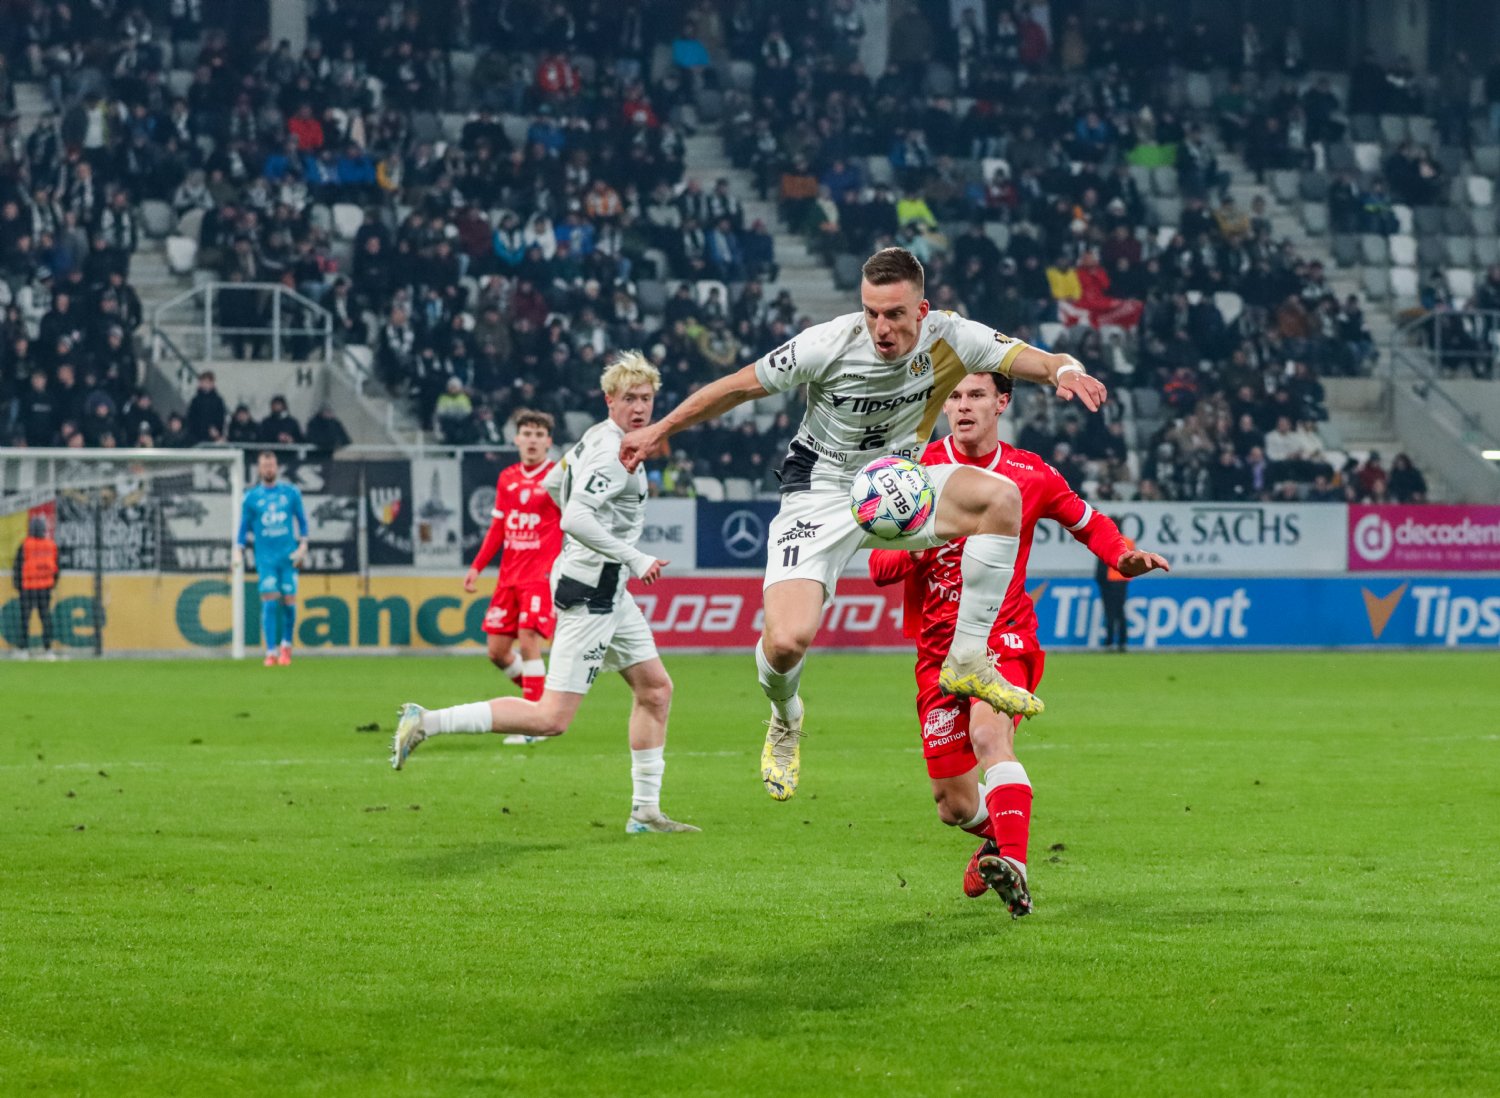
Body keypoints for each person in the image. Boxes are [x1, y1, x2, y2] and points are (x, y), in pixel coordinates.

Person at [618, 247, 1109, 802]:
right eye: (871, 312)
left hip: (899, 488)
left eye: (894, 314)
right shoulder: (827, 343)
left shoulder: (952, 337)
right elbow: (737, 386)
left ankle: (970, 657)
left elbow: (1037, 359)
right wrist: (661, 429)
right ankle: (785, 715)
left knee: (1001, 497)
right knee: (786, 643)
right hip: (820, 493)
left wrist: (1067, 369)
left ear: (921, 310)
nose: (881, 327)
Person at [868, 373, 1168, 916]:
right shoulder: (915, 474)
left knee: (989, 734)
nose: (963, 406)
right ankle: (997, 838)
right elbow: (878, 567)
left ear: (1001, 402)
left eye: (976, 395)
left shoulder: (1030, 473)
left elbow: (1088, 521)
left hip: (1002, 638)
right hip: (937, 654)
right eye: (954, 396)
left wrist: (1120, 555)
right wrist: (921, 542)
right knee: (953, 804)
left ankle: (1016, 869)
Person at [392, 354, 697, 835]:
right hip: (593, 591)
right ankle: (427, 721)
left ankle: (645, 812)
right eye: (630, 398)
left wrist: (598, 550)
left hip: (607, 588)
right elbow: (574, 516)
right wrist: (634, 557)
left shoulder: (596, 436)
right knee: (551, 718)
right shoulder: (611, 453)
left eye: (646, 399)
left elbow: (555, 485)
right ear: (610, 400)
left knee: (656, 690)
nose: (640, 408)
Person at [462, 410, 563, 741]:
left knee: (528, 637)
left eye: (539, 435)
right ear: (517, 439)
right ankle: (545, 703)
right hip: (509, 577)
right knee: (497, 651)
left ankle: (533, 724)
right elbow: (498, 528)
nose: (532, 440)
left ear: (548, 441)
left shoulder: (558, 477)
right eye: (527, 434)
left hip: (540, 575)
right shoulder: (507, 477)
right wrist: (477, 567)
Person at [234, 451, 309, 667]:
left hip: (288, 558)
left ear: (277, 467)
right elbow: (243, 527)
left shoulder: (290, 493)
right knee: (269, 602)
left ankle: (286, 645)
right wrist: (238, 549)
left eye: (272, 465)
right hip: (266, 559)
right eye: (265, 465)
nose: (269, 469)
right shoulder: (251, 497)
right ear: (259, 469)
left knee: (289, 602)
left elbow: (302, 520)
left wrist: (303, 545)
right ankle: (270, 651)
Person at [12, 516, 60, 659]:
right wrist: (53, 584)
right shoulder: (51, 545)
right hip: (45, 588)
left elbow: (18, 566)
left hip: (28, 588)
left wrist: (17, 585)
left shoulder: (25, 545)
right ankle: (48, 650)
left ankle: (23, 650)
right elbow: (57, 568)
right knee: (45, 618)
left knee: (24, 619)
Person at [1094, 522, 1137, 652]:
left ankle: (1109, 642)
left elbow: (1101, 564)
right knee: (1120, 611)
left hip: (1109, 581)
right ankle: (1123, 641)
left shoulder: (1106, 542)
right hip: (1123, 581)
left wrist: (1100, 581)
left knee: (1110, 612)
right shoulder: (1128, 542)